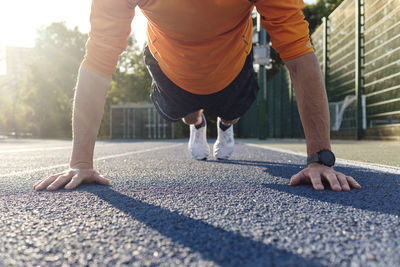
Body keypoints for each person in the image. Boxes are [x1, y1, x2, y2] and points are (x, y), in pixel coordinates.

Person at [34, 0, 361, 192]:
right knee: (187, 111)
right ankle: (197, 123)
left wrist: (320, 158)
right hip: (171, 67)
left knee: (230, 112)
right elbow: (98, 60)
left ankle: (225, 125)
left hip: (232, 65)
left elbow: (298, 54)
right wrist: (80, 162)